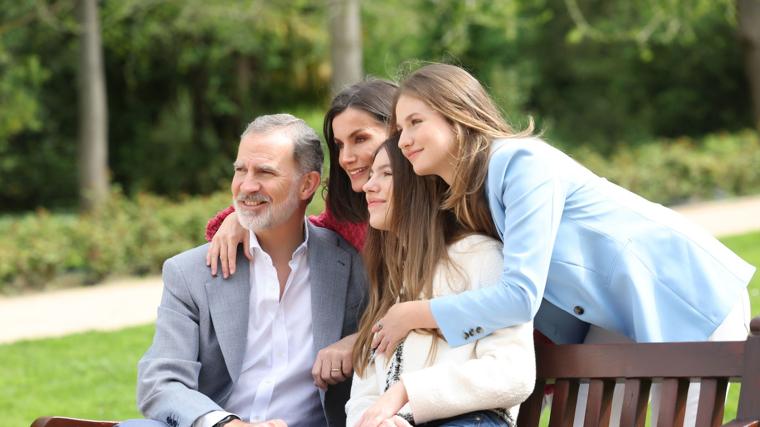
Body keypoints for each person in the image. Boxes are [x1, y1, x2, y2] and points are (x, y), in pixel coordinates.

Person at [371, 63, 754, 424]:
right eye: (400, 128)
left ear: (456, 114)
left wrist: (415, 314)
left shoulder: (519, 163)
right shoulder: (472, 193)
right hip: (611, 315)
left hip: (678, 289)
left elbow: (520, 296)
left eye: (415, 122)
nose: (403, 140)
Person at [131, 114, 368, 427]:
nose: (246, 185)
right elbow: (160, 382)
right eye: (240, 170)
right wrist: (227, 425)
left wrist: (359, 341)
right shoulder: (189, 273)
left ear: (307, 184)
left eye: (265, 172)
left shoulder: (351, 265)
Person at [203, 79, 397, 391]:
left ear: (399, 132)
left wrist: (359, 340)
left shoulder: (441, 211)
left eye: (360, 139)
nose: (346, 157)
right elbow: (307, 229)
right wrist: (240, 217)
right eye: (339, 145)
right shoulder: (351, 211)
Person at [346, 137, 534, 427]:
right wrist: (373, 421)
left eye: (386, 174)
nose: (369, 186)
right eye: (371, 175)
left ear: (420, 185)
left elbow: (513, 373)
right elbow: (366, 387)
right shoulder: (392, 279)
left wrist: (408, 392)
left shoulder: (478, 256)